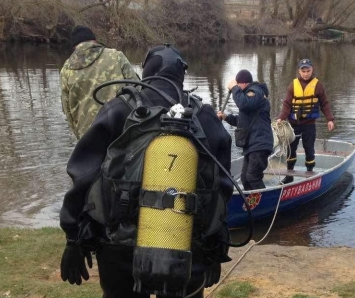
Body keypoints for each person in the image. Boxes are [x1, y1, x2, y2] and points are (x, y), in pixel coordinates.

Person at [59, 44, 233, 298]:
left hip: (118, 248)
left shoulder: (118, 109)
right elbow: (222, 189)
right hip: (185, 245)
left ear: (145, 71)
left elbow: (83, 177)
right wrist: (215, 249)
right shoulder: (204, 117)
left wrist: (74, 238)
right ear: (182, 74)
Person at [60, 25, 140, 139]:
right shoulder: (116, 56)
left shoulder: (66, 70)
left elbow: (67, 110)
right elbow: (137, 90)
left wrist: (80, 138)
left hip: (88, 136)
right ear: (94, 41)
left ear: (74, 47)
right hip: (121, 129)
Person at [276, 58, 335, 183]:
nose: (306, 73)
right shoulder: (293, 85)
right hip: (294, 124)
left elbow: (324, 104)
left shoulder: (318, 85)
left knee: (309, 149)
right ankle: (289, 175)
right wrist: (281, 117)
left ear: (312, 70)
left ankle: (309, 175)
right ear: (299, 71)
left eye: (308, 70)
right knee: (291, 149)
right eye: (303, 71)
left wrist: (330, 119)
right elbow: (287, 104)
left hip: (309, 124)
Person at [217, 69, 273, 190]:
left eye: (238, 84)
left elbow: (244, 104)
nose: (236, 87)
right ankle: (249, 203)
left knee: (253, 176)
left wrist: (234, 88)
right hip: (251, 145)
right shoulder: (250, 98)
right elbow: (242, 122)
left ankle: (263, 202)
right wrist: (226, 117)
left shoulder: (256, 92)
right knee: (245, 178)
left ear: (243, 83)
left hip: (259, 144)